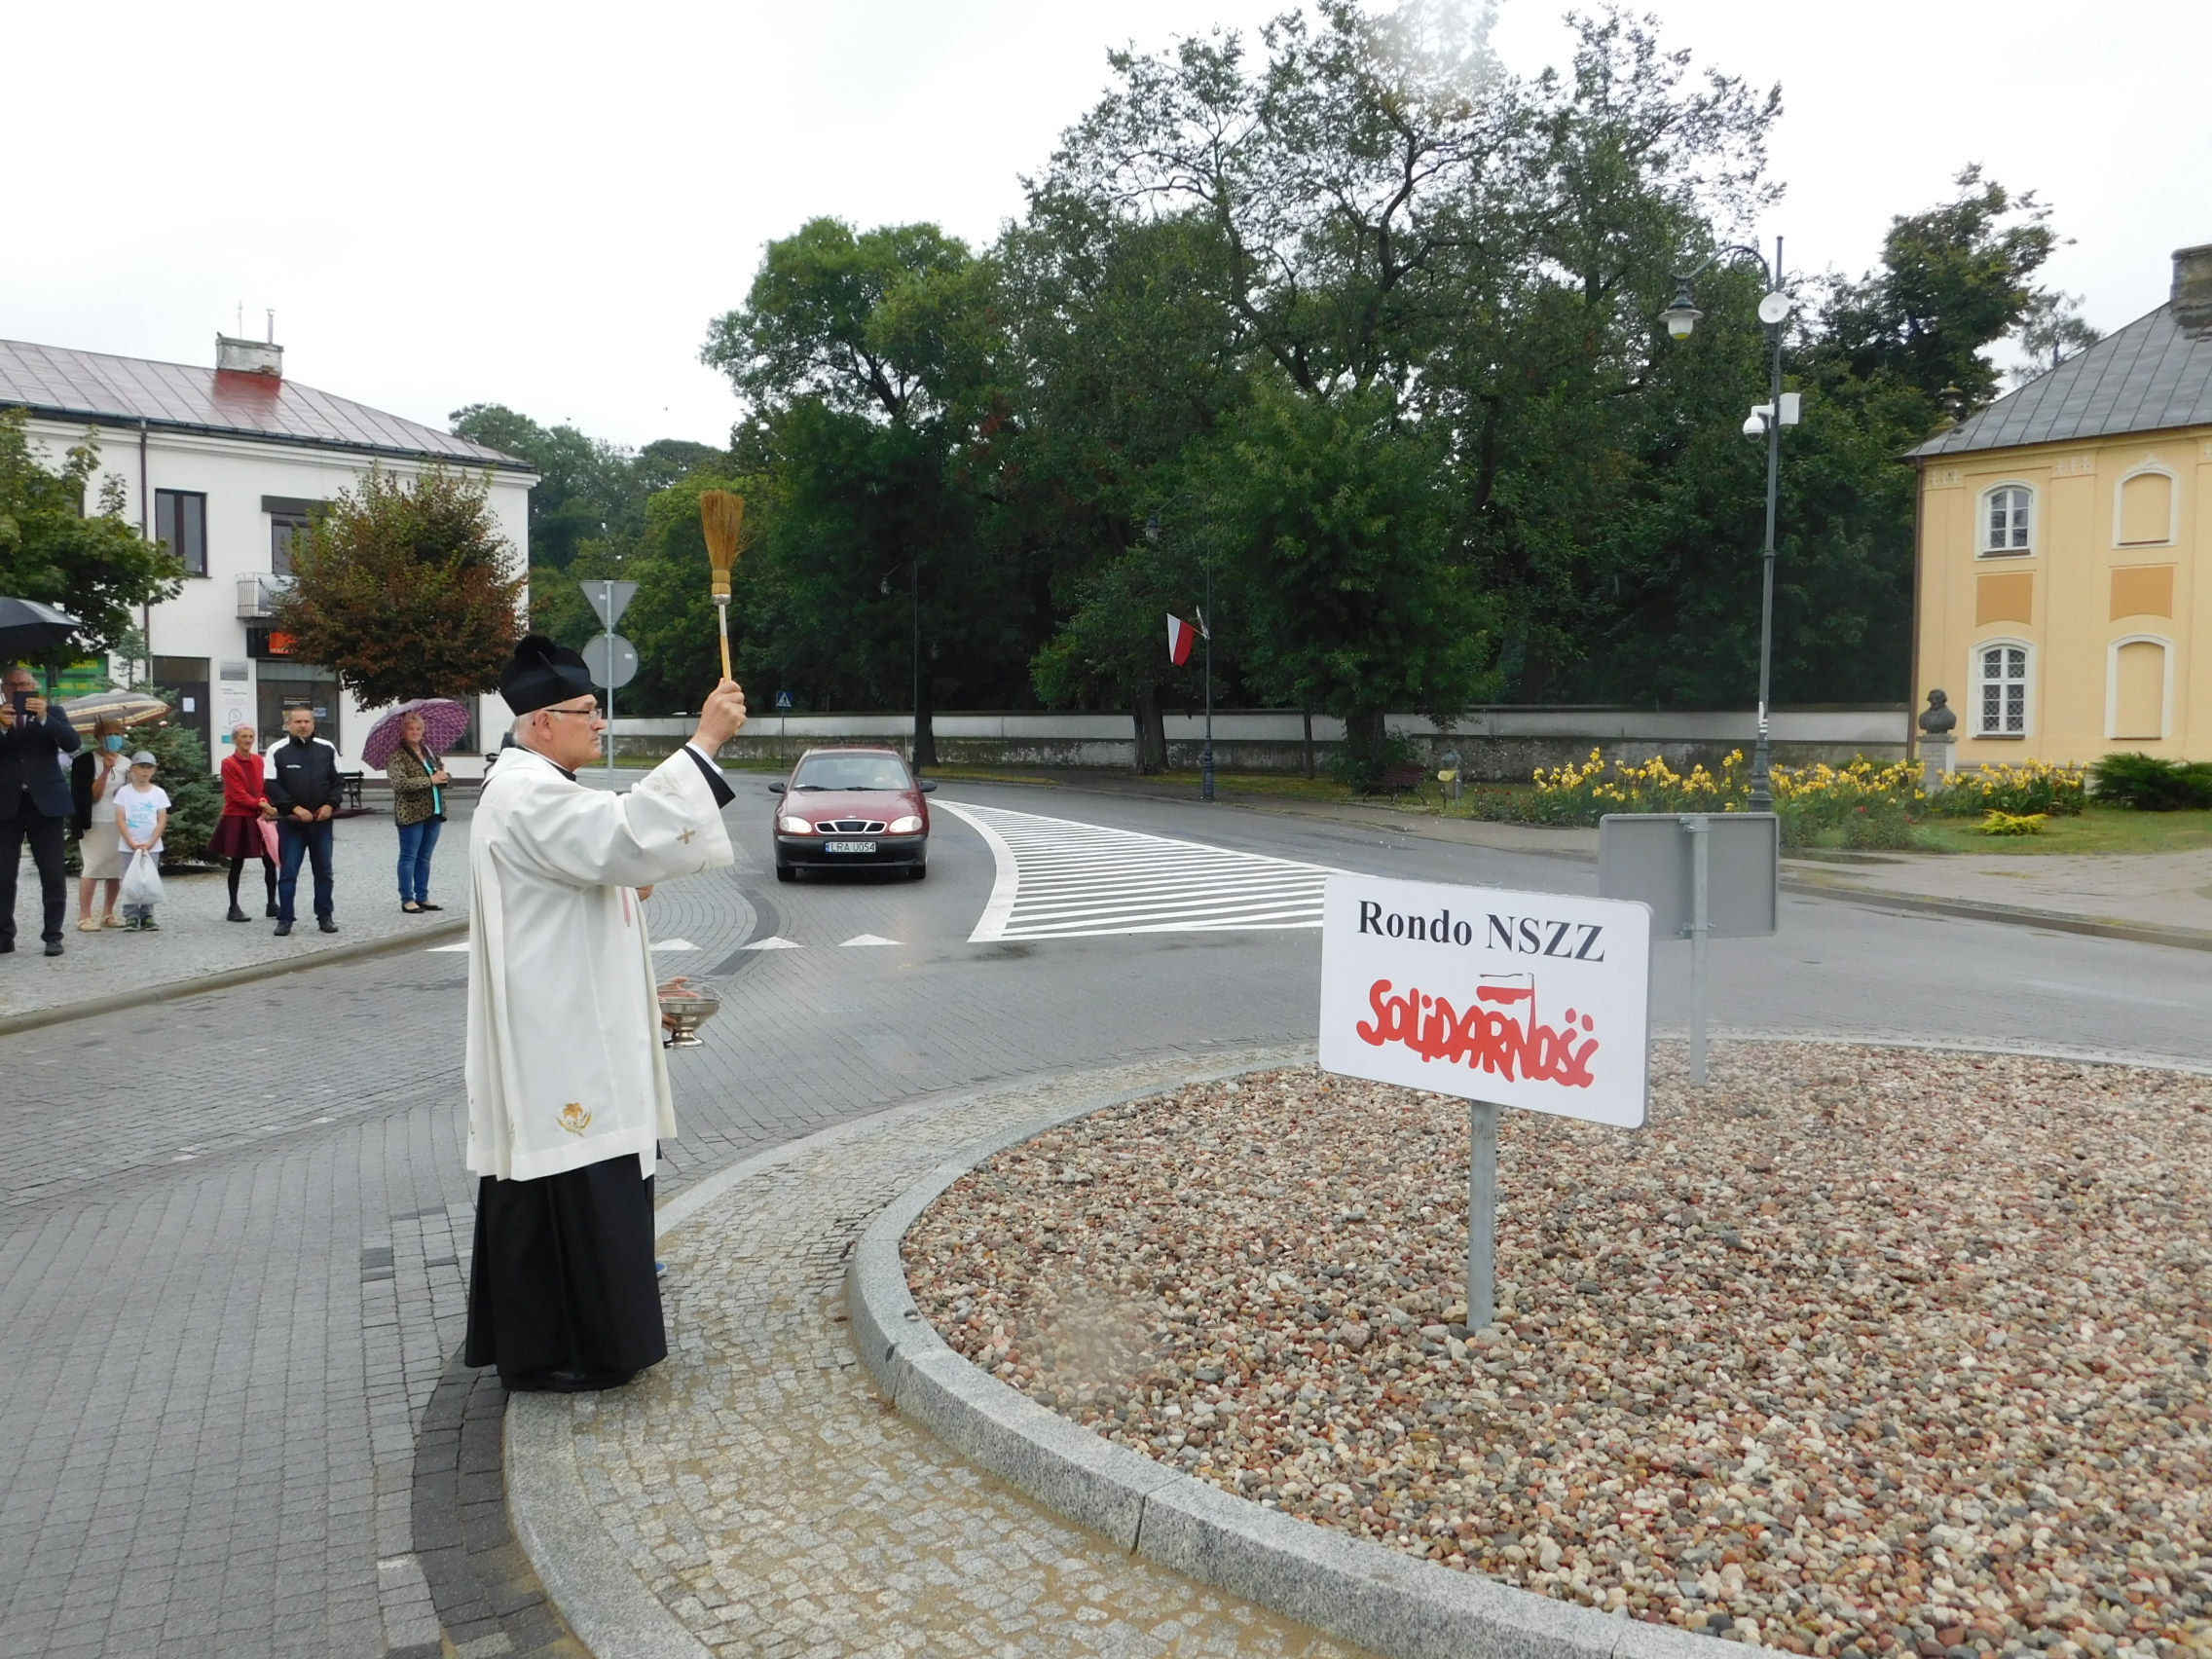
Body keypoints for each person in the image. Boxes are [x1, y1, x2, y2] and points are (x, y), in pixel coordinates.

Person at [462, 635, 746, 1393]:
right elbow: (622, 834)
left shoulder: (534, 787)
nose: (601, 724)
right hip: (561, 1036)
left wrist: (630, 889)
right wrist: (706, 742)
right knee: (573, 1168)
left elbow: (596, 866)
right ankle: (569, 1349)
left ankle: (565, 1339)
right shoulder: (529, 792)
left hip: (567, 1017)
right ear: (540, 722)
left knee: (570, 1176)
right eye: (587, 712)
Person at [0, 662, 83, 957]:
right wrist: (1, 727)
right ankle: (4, 936)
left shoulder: (54, 713)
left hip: (45, 804)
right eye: (13, 685)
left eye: (25, 685)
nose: (20, 690)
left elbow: (73, 743)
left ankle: (53, 935)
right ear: (3, 688)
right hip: (6, 805)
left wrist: (45, 717)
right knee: (4, 874)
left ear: (34, 687)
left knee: (52, 872)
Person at [263, 705, 343, 937]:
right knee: (288, 873)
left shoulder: (327, 749)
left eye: (307, 721)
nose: (303, 725)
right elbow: (271, 785)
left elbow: (337, 782)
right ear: (288, 725)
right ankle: (285, 918)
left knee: (324, 872)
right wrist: (295, 808)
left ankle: (325, 917)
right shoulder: (277, 750)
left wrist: (330, 805)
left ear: (313, 724)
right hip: (292, 824)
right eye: (297, 722)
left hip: (322, 823)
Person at [209, 724, 278, 922]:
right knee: (237, 862)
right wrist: (261, 804)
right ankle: (233, 906)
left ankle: (272, 903)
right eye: (243, 737)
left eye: (250, 736)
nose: (248, 740)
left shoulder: (259, 761)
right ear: (235, 740)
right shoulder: (228, 763)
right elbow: (236, 793)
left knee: (269, 859)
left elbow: (264, 786)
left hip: (258, 814)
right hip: (238, 816)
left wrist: (264, 802)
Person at [387, 711, 451, 913]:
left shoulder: (430, 753)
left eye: (418, 728)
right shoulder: (397, 755)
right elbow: (400, 783)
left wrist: (444, 776)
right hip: (411, 812)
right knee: (409, 856)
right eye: (410, 728)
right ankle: (407, 898)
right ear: (403, 732)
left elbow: (441, 776)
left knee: (425, 857)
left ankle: (422, 896)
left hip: (434, 810)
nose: (415, 732)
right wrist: (430, 780)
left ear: (424, 731)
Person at [72, 717, 129, 932]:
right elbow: (90, 796)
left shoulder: (126, 763)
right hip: (94, 820)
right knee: (93, 866)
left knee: (115, 868)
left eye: (118, 733)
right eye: (109, 734)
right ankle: (85, 915)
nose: (114, 738)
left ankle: (108, 912)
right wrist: (105, 771)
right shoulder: (85, 761)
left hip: (117, 822)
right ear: (98, 737)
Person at [112, 750, 170, 932]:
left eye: (148, 768)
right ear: (133, 770)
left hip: (151, 846)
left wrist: (152, 841)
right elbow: (120, 818)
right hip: (130, 845)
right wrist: (129, 840)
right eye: (141, 767)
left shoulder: (158, 793)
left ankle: (147, 914)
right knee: (128, 879)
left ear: (154, 771)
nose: (145, 771)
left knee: (148, 880)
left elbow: (162, 819)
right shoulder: (124, 792)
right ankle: (130, 915)